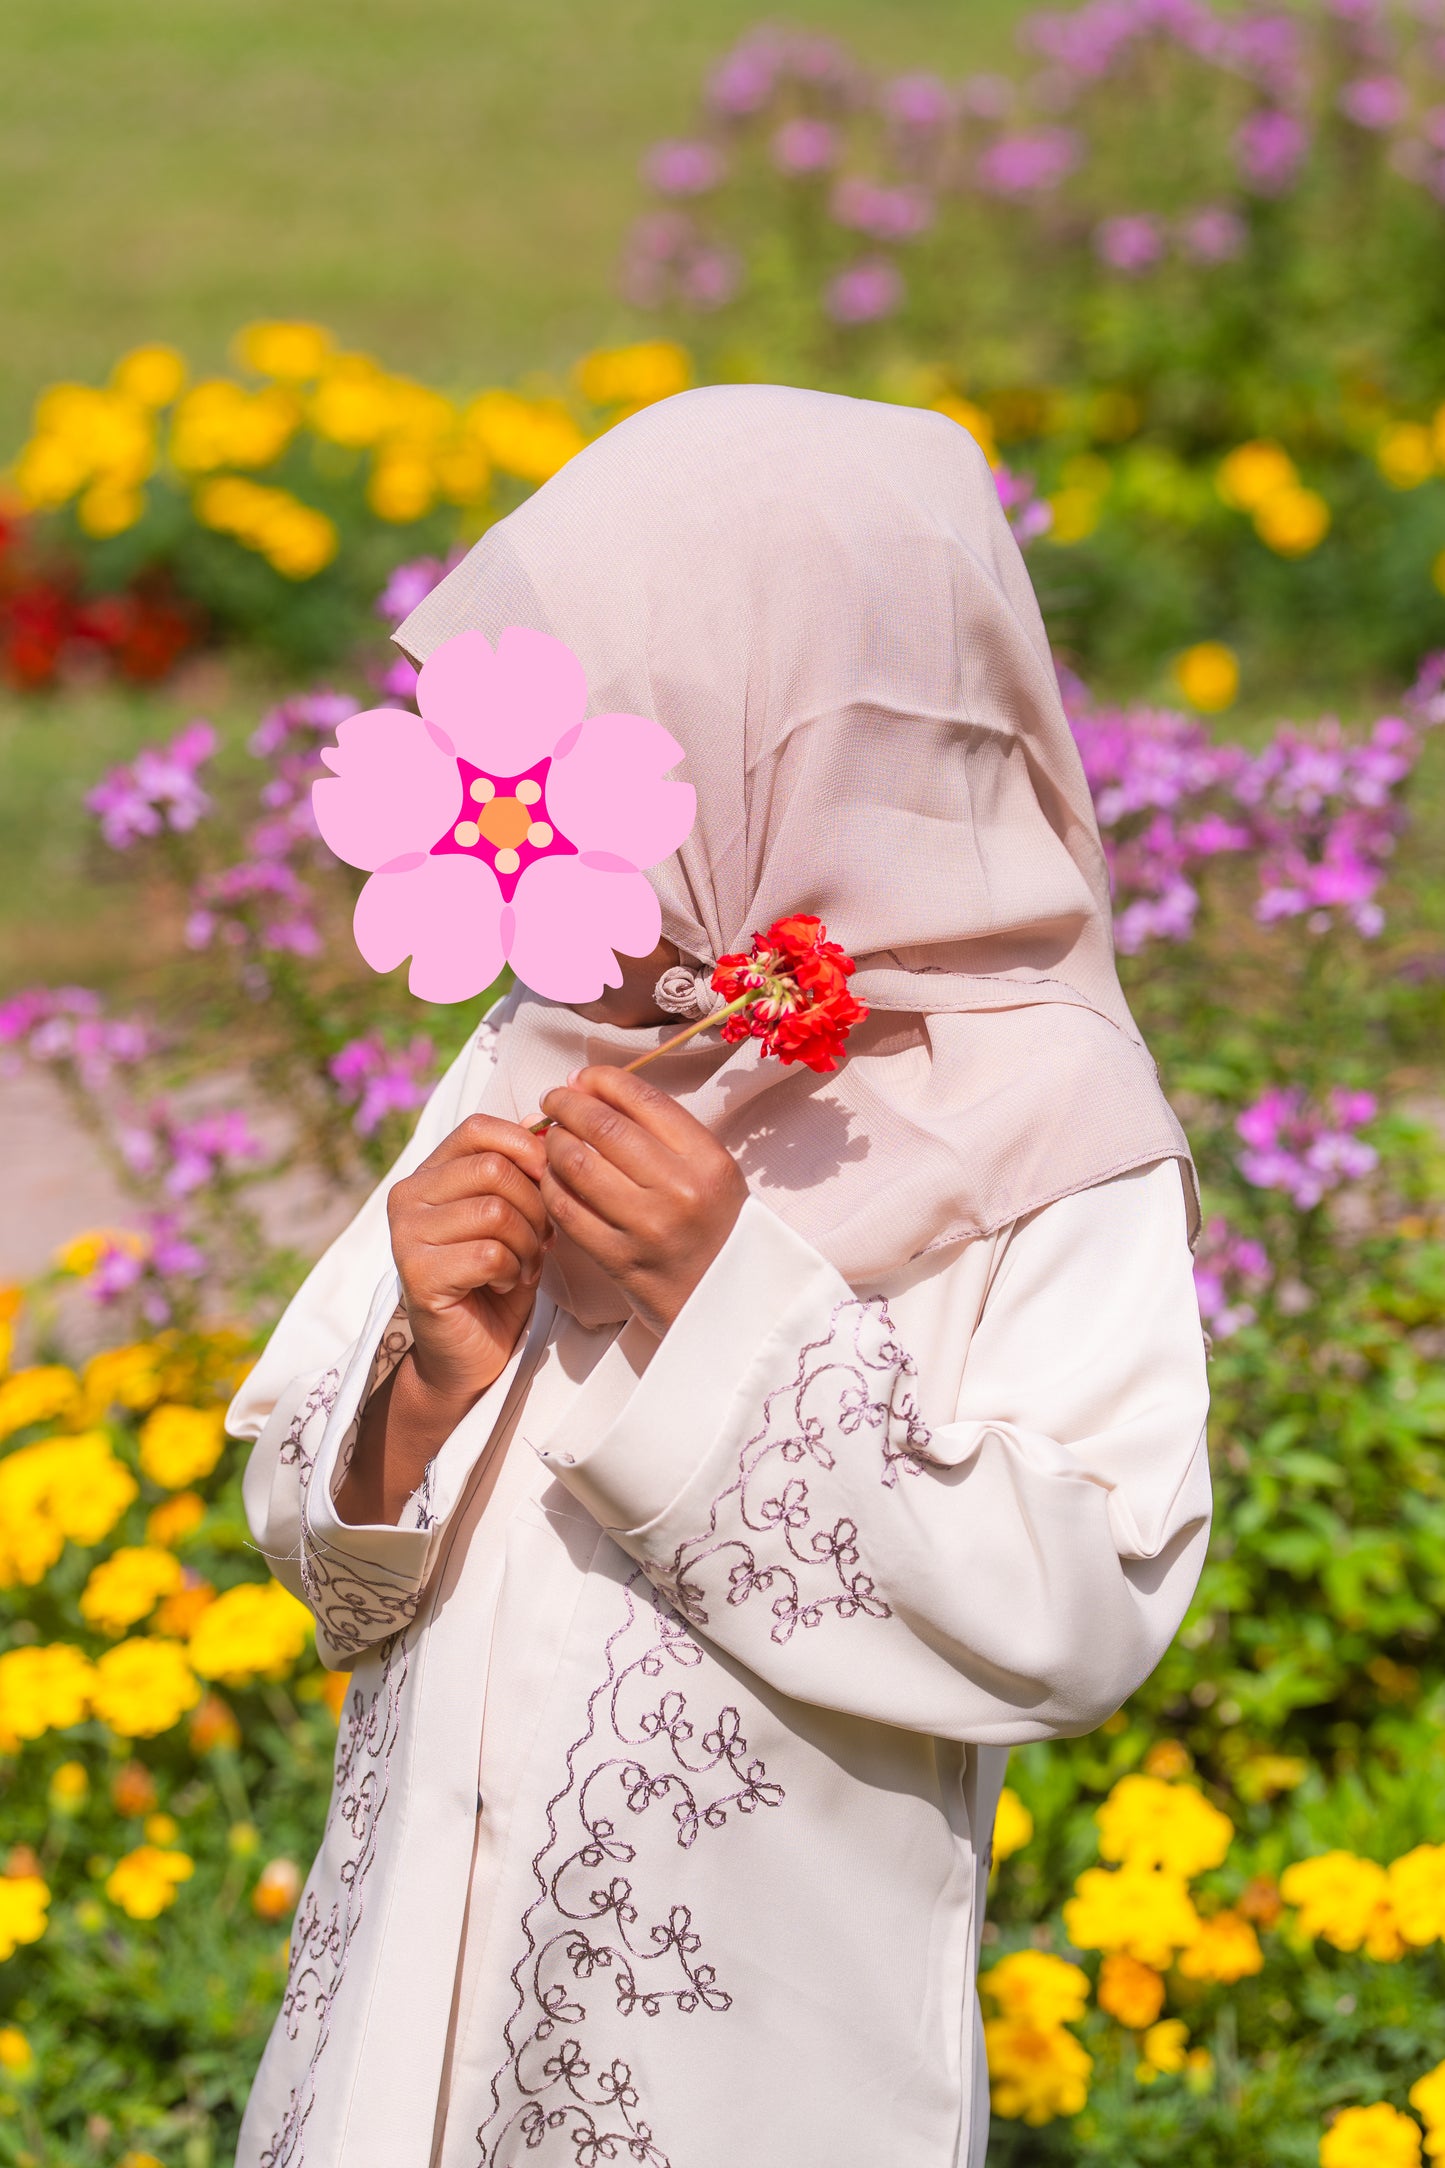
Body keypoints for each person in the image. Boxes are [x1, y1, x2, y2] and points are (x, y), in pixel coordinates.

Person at [229, 385, 1211, 2168]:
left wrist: (724, 1300)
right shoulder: (545, 1038)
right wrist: (420, 1385)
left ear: (784, 734)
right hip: (403, 2045)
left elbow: (1085, 1605)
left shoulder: (1045, 1117)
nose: (547, 795)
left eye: (616, 728)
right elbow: (332, 1570)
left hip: (749, 2067)